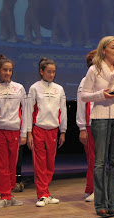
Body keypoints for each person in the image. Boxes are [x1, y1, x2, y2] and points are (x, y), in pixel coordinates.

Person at [81, 36, 114, 216]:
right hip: (100, 117)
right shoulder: (94, 70)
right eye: (112, 48)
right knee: (100, 162)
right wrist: (102, 95)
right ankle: (100, 203)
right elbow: (84, 96)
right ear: (103, 50)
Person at [0, 54, 26, 209]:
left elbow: (25, 111)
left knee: (12, 164)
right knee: (1, 165)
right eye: (5, 70)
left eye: (10, 70)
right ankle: (4, 195)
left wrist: (23, 133)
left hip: (15, 132)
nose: (8, 73)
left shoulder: (20, 88)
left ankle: (10, 194)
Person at [27, 58, 67, 207]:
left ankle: (47, 193)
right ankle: (42, 194)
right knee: (40, 163)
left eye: (54, 72)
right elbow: (29, 111)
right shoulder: (34, 88)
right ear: (41, 72)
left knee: (50, 164)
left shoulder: (59, 89)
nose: (51, 74)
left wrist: (63, 131)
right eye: (49, 72)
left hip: (54, 130)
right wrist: (29, 132)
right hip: (38, 129)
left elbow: (62, 111)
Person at [76, 50, 96, 202]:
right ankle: (92, 189)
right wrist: (82, 127)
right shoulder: (85, 81)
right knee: (94, 159)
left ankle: (91, 189)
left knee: (99, 159)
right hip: (90, 126)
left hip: (102, 123)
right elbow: (81, 107)